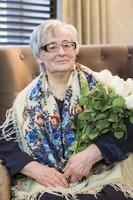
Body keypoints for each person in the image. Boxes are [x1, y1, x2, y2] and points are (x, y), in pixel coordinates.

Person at [0, 19, 133, 200]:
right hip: (46, 182)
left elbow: (129, 126)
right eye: (52, 47)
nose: (61, 52)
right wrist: (36, 169)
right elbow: (5, 143)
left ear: (75, 50)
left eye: (67, 45)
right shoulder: (25, 100)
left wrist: (94, 152)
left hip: (100, 174)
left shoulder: (102, 86)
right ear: (39, 55)